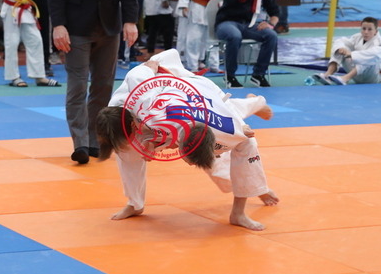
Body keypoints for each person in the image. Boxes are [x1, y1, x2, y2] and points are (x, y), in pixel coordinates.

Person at [96, 49, 279, 231]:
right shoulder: (129, 105)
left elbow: (224, 117)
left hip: (198, 92)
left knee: (232, 147)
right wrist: (149, 145)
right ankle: (135, 204)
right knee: (127, 153)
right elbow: (140, 73)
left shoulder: (167, 110)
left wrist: (240, 129)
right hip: (166, 100)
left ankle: (241, 209)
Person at [47, 0, 138, 165]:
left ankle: (94, 138)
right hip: (76, 26)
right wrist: (58, 25)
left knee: (103, 86)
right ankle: (79, 143)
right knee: (77, 85)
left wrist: (130, 20)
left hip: (109, 24)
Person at [216, 0, 280, 89]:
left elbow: (275, 12)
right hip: (226, 23)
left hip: (248, 25)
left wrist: (270, 24)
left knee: (271, 35)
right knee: (235, 35)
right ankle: (230, 76)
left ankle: (258, 74)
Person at [312, 17, 381, 86]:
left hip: (374, 79)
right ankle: (327, 75)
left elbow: (375, 55)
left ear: (376, 31)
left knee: (368, 58)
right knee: (340, 49)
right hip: (359, 76)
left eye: (370, 29)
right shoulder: (358, 37)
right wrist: (341, 48)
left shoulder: (378, 42)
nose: (366, 32)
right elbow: (341, 41)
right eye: (364, 29)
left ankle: (345, 78)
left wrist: (351, 54)